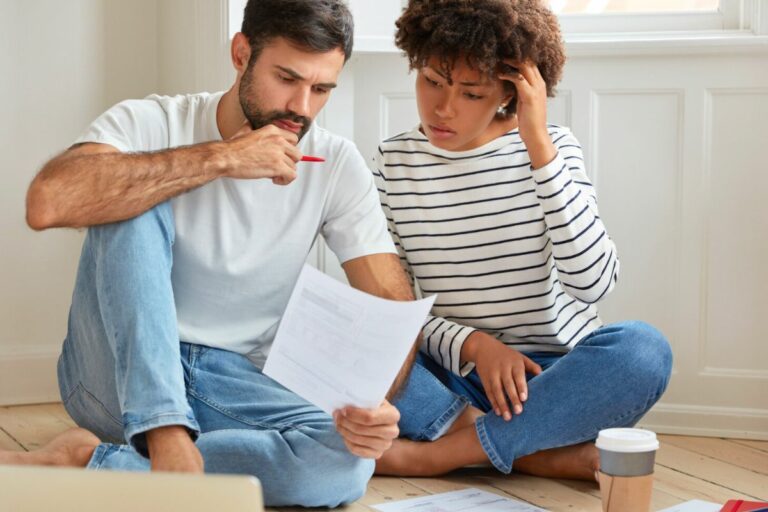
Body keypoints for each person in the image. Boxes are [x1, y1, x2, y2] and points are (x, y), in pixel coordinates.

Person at [1, 0, 417, 507]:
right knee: (128, 192)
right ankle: (165, 432)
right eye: (287, 78)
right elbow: (46, 203)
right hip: (112, 368)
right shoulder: (153, 122)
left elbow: (391, 302)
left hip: (229, 378)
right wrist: (223, 158)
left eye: (321, 88)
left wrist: (376, 405)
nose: (302, 107)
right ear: (241, 54)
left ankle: (91, 465)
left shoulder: (334, 163)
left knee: (345, 463)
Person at [372, 0, 673, 481]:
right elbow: (398, 305)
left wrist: (538, 147)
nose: (443, 108)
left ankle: (440, 453)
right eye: (432, 81)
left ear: (511, 93)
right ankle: (535, 453)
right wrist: (475, 346)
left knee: (643, 351)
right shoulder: (394, 164)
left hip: (553, 384)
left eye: (471, 93)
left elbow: (593, 285)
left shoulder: (553, 148)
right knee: (356, 342)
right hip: (454, 376)